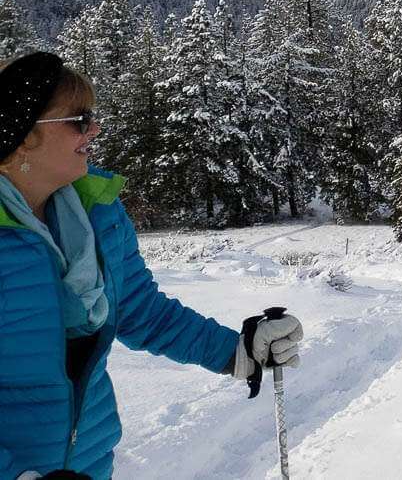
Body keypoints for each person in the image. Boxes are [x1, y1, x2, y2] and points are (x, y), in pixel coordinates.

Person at [0, 51, 303, 480]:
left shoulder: (98, 212)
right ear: (24, 134)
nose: (95, 129)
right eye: (79, 121)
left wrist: (237, 352)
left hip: (87, 461)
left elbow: (141, 310)